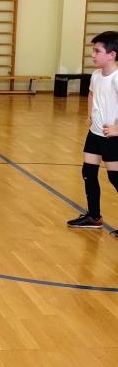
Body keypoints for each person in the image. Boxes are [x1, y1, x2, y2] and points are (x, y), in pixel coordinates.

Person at [67, 31, 118, 231]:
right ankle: (94, 216)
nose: (92, 54)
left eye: (97, 51)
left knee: (115, 178)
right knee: (88, 172)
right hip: (95, 134)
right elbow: (91, 94)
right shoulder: (96, 75)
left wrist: (117, 129)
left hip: (112, 138)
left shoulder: (116, 78)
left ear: (112, 55)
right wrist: (90, 114)